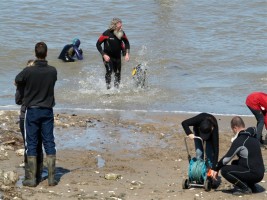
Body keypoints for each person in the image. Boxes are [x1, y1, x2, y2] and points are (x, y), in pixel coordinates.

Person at [15, 42, 58, 187]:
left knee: (31, 143)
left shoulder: (29, 71)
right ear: (46, 53)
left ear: (35, 54)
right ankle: (52, 179)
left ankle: (32, 179)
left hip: (32, 110)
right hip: (47, 110)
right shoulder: (53, 71)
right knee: (49, 142)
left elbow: (17, 79)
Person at [212, 116, 264, 196]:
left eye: (233, 130)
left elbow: (226, 159)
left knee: (225, 170)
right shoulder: (253, 136)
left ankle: (245, 189)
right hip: (260, 173)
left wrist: (216, 168)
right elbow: (253, 128)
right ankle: (251, 185)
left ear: (235, 128)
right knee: (235, 162)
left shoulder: (239, 140)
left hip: (253, 173)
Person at [14, 59, 44, 184]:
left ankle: (30, 176)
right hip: (42, 114)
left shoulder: (23, 83)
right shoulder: (43, 81)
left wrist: (18, 87)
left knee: (29, 145)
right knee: (39, 144)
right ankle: (39, 174)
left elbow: (18, 100)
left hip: (26, 114)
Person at [96, 17, 130, 89]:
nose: (122, 26)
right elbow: (98, 44)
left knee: (117, 73)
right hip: (107, 56)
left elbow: (127, 43)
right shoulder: (106, 33)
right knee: (109, 71)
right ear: (115, 25)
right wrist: (103, 55)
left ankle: (116, 90)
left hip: (117, 57)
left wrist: (127, 54)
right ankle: (108, 89)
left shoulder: (122, 33)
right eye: (120, 25)